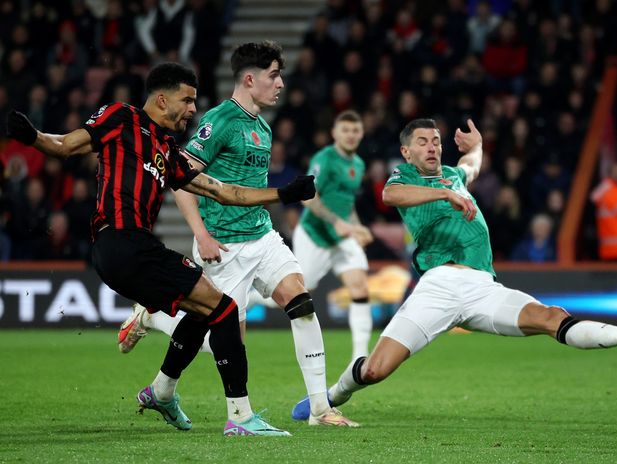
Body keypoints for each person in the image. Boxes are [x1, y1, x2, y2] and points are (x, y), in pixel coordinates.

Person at [5, 63, 317, 436]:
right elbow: (65, 145)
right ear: (162, 98)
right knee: (224, 310)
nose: (191, 109)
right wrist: (32, 136)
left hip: (135, 248)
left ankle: (163, 392)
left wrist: (283, 194)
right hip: (121, 241)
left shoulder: (166, 149)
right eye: (187, 100)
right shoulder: (121, 117)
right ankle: (240, 417)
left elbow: (224, 191)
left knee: (207, 311)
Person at [290, 118, 617, 422]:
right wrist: (445, 194)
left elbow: (470, 166)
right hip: (437, 287)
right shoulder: (404, 178)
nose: (432, 146)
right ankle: (332, 396)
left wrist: (478, 149)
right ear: (407, 151)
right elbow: (390, 197)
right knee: (374, 371)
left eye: (436, 140)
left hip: (483, 287)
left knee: (551, 317)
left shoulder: (455, 177)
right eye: (422, 141)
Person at [115, 42, 358, 428]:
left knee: (302, 303)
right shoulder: (220, 121)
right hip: (222, 245)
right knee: (227, 343)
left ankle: (319, 409)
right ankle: (153, 318)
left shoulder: (261, 125)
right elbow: (182, 181)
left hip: (262, 237)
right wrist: (202, 235)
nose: (280, 83)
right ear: (250, 78)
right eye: (274, 75)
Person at [294, 109, 374, 363]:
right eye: (345, 130)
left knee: (360, 286)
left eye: (355, 130)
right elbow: (307, 197)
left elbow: (346, 203)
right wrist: (336, 221)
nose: (351, 135)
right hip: (314, 234)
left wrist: (357, 226)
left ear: (361, 133)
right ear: (334, 133)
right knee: (297, 294)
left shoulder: (359, 164)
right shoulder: (325, 158)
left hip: (341, 236)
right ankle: (248, 301)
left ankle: (360, 358)